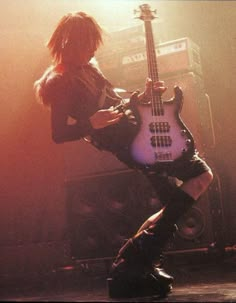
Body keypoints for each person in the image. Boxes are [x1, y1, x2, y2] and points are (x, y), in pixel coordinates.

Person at [34, 11, 213, 298]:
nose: (93, 50)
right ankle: (133, 259)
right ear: (70, 44)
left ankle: (133, 262)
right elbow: (58, 134)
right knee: (201, 176)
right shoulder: (61, 82)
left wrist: (140, 96)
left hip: (136, 133)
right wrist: (90, 123)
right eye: (87, 44)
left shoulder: (89, 70)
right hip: (128, 144)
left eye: (94, 43)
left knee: (173, 200)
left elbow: (116, 102)